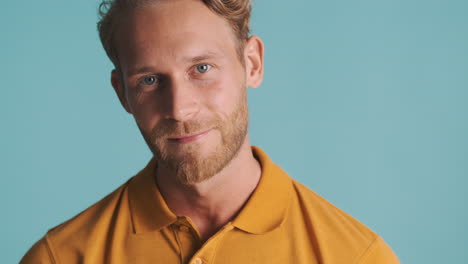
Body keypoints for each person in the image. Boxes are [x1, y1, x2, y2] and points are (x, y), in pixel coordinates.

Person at [20, 0, 400, 263]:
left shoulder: (356, 257)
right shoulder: (60, 257)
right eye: (150, 80)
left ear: (251, 64)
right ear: (123, 93)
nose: (179, 108)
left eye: (201, 69)